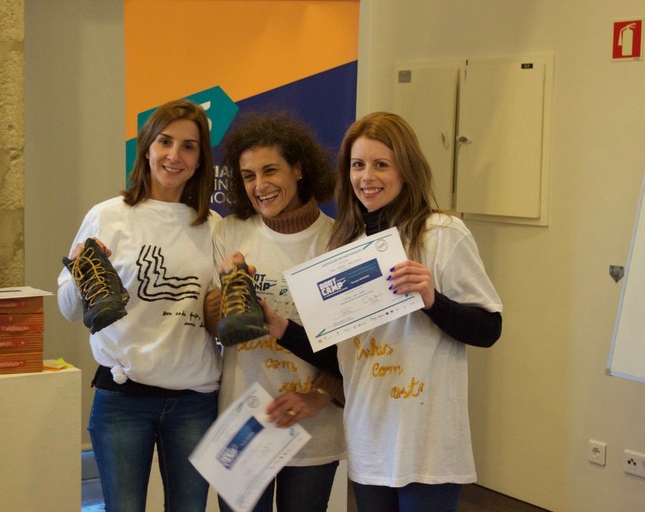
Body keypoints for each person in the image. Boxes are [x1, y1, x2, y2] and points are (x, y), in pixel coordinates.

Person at [260, 112, 503, 512]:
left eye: (381, 165)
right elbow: (346, 360)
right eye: (358, 165)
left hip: (427, 447)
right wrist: (282, 328)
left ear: (406, 169)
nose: (367, 177)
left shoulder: (442, 234)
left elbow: (489, 329)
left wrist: (432, 300)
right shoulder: (346, 246)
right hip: (369, 443)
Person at [57, 99, 221, 512]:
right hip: (122, 399)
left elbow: (219, 319)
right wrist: (79, 273)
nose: (174, 155)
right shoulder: (108, 216)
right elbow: (69, 309)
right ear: (146, 147)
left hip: (194, 400)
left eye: (188, 146)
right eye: (165, 142)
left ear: (200, 160)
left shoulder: (213, 226)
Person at [206, 112, 347, 512]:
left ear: (298, 169)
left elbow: (356, 342)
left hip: (313, 423)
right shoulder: (230, 232)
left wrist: (320, 395)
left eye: (270, 171)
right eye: (248, 176)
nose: (260, 186)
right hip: (243, 421)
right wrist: (227, 294)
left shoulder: (338, 240)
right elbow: (212, 325)